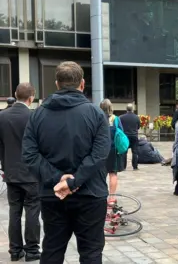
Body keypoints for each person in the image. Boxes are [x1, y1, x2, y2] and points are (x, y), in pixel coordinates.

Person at [22, 61, 110, 263]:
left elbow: (29, 155)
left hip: (53, 194)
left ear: (57, 84)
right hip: (90, 194)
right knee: (91, 253)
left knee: (52, 250)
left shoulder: (38, 115)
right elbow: (99, 154)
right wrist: (73, 181)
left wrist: (60, 179)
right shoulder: (97, 115)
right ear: (82, 84)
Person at [0, 83, 40, 262]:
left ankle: (15, 250)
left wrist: (3, 167)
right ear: (31, 98)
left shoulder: (2, 116)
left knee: (14, 211)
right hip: (32, 173)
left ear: (15, 95)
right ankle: (32, 250)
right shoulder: (35, 117)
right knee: (32, 210)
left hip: (11, 171)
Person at [100, 99, 126, 203]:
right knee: (113, 174)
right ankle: (111, 198)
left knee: (100, 174)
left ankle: (101, 197)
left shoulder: (98, 118)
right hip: (113, 150)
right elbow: (121, 133)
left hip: (100, 150)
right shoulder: (116, 119)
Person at [120, 103, 141, 170]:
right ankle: (135, 166)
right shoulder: (136, 117)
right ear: (132, 109)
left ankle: (123, 167)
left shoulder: (121, 117)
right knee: (134, 152)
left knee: (124, 152)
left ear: (126, 109)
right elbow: (138, 127)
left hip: (125, 136)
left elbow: (120, 127)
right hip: (134, 136)